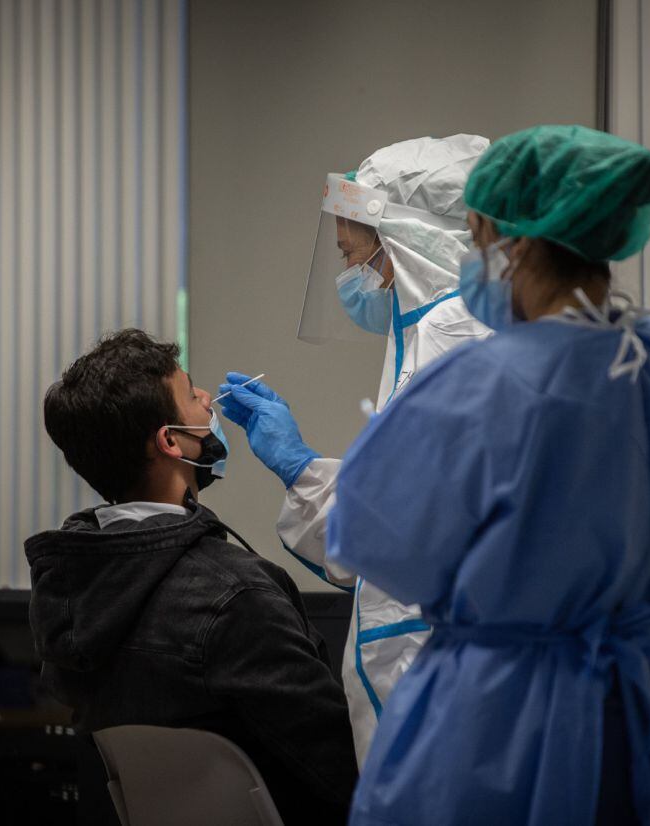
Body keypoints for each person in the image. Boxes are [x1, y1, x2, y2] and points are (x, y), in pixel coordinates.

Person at [325, 125, 650, 825]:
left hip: (504, 716)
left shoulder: (484, 382)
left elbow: (368, 538)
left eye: (479, 238)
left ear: (501, 240)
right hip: (649, 712)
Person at [218, 135, 493, 765]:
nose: (350, 278)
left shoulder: (454, 342)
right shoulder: (430, 338)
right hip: (429, 676)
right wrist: (304, 470)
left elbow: (398, 534)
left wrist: (300, 469)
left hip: (442, 688)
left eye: (355, 255)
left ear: (409, 241)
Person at [24, 329, 357, 825]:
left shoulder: (68, 590)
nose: (207, 400)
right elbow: (345, 780)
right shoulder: (237, 596)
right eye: (191, 393)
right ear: (171, 441)